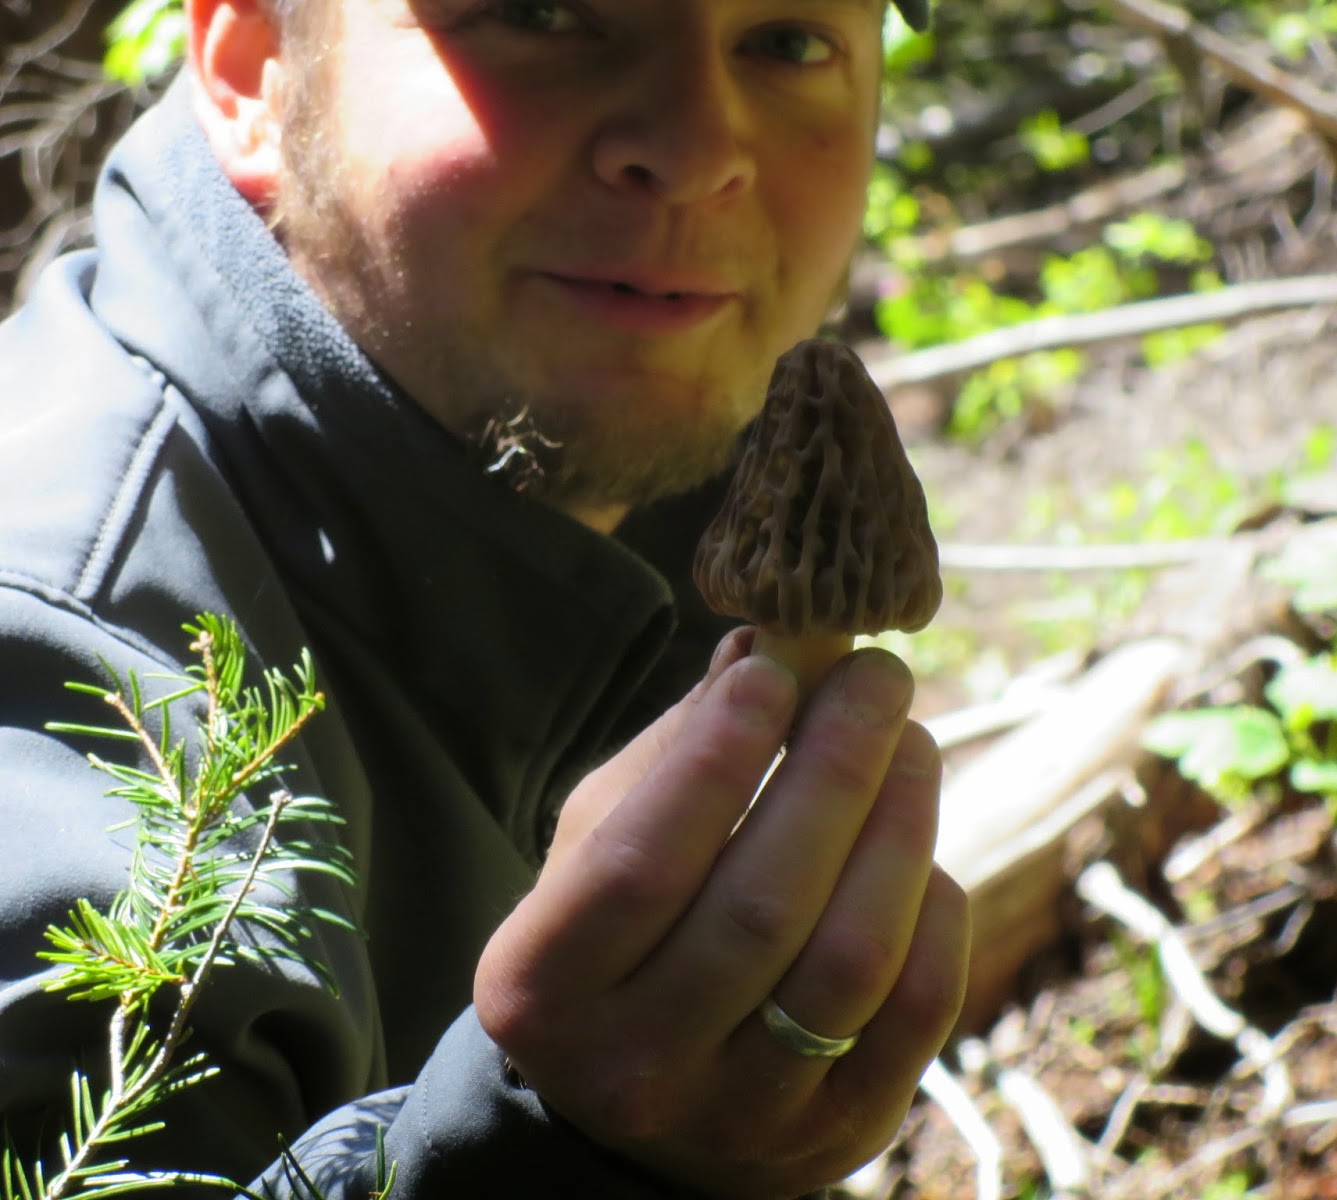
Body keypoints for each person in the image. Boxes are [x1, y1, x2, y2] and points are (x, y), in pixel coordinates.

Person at [0, 0, 971, 1196]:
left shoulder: (671, 519)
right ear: (255, 73)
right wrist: (550, 1155)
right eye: (543, 13)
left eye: (787, 39)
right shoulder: (58, 694)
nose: (697, 148)